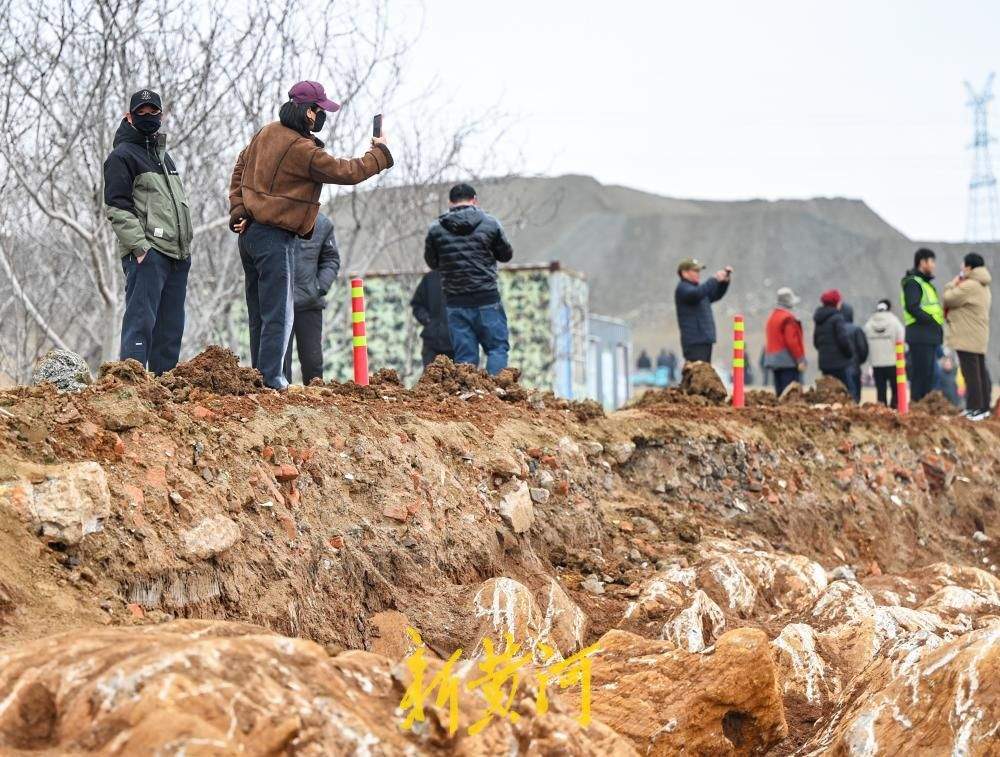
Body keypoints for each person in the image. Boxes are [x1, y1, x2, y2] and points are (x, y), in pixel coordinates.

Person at [229, 80, 393, 390]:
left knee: (260, 314)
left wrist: (238, 210)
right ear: (309, 114)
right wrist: (380, 154)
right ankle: (273, 380)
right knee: (280, 313)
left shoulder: (265, 133)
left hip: (249, 234)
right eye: (322, 111)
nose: (323, 117)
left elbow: (240, 165)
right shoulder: (301, 149)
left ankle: (260, 377)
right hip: (274, 237)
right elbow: (347, 172)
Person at [104, 89, 193, 375]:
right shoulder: (121, 156)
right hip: (148, 254)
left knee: (170, 331)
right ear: (129, 117)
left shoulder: (165, 159)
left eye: (152, 112)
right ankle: (131, 391)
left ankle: (164, 390)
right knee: (140, 325)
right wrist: (141, 249)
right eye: (140, 112)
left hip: (176, 255)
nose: (147, 117)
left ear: (161, 115)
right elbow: (117, 207)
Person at [424, 183, 514, 375]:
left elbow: (432, 263)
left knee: (465, 357)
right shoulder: (491, 224)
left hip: (456, 302)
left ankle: (470, 400)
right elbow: (506, 255)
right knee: (497, 348)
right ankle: (496, 394)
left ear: (450, 202)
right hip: (487, 299)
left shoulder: (436, 229)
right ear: (474, 200)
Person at [282, 212, 339, 385]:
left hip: (309, 304)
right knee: (280, 361)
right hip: (280, 304)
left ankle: (317, 400)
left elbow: (331, 259)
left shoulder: (323, 224)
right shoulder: (277, 219)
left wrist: (319, 287)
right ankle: (280, 400)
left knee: (312, 361)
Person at [943, 252, 993, 419]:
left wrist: (954, 282)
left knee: (971, 374)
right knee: (979, 372)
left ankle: (975, 409)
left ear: (969, 267)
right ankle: (983, 408)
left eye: (963, 266)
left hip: (967, 336)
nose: (961, 269)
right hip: (977, 334)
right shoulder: (983, 285)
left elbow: (948, 298)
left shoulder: (970, 285)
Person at [901, 248, 944, 404]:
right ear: (922, 262)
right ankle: (917, 406)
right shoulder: (913, 282)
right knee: (921, 374)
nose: (933, 265)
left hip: (929, 336)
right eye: (931, 261)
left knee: (928, 375)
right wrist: (932, 320)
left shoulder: (925, 284)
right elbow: (912, 307)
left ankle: (923, 408)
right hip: (920, 335)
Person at [674, 258, 732, 363]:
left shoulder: (698, 290)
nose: (698, 274)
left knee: (704, 375)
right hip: (694, 342)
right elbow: (697, 294)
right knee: (697, 376)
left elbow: (715, 295)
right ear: (684, 273)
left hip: (704, 340)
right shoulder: (683, 288)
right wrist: (714, 279)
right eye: (695, 271)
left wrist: (724, 283)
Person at [763, 287, 806, 397]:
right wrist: (800, 359)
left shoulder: (772, 317)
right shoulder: (787, 318)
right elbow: (792, 340)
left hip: (774, 361)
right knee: (790, 394)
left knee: (780, 393)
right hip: (788, 362)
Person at [863, 299, 905, 408]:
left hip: (876, 363)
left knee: (880, 389)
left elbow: (865, 341)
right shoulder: (895, 322)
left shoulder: (868, 324)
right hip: (893, 362)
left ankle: (881, 409)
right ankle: (894, 408)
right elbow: (901, 339)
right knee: (895, 389)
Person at [411, 270, 454, 367]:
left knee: (459, 378)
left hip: (458, 343)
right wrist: (427, 320)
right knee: (431, 378)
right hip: (433, 341)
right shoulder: (430, 278)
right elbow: (417, 305)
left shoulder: (463, 277)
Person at [813, 289, 853, 389]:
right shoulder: (837, 318)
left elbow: (816, 342)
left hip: (824, 364)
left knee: (828, 391)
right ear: (836, 303)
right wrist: (849, 354)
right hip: (839, 364)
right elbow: (843, 341)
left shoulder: (819, 319)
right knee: (847, 391)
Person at [841, 303, 869, 403]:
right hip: (854, 368)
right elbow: (863, 349)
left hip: (839, 368)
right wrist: (859, 361)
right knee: (855, 397)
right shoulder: (856, 329)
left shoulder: (837, 328)